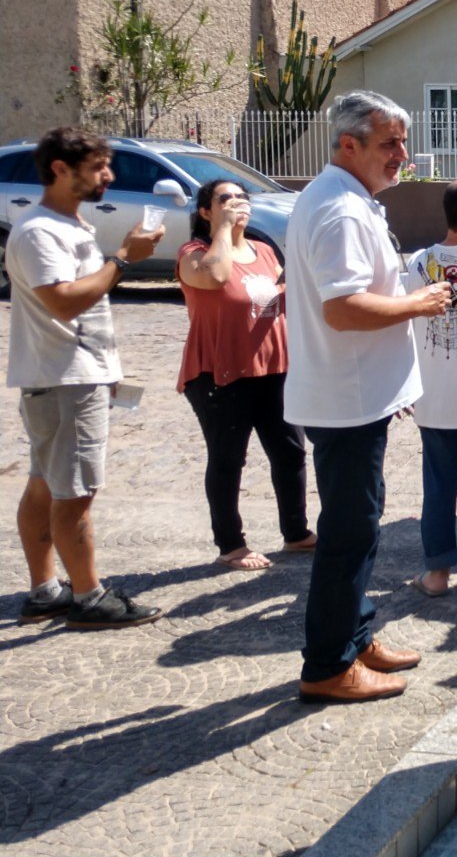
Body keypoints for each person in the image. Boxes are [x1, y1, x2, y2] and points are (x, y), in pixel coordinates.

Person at [285, 91, 453, 705]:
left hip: (356, 396)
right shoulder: (341, 210)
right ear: (348, 145)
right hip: (345, 401)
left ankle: (353, 639)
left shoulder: (347, 199)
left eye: (403, 142)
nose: (402, 156)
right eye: (390, 144)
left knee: (359, 526)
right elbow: (344, 307)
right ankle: (328, 665)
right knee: (348, 535)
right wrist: (419, 303)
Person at [8, 126, 165, 628]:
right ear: (60, 169)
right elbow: (64, 300)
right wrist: (123, 259)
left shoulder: (67, 226)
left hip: (69, 375)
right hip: (64, 380)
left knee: (46, 483)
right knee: (73, 490)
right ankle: (89, 597)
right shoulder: (39, 231)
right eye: (98, 167)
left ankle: (44, 589)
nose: (109, 176)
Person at [176, 178, 315, 572]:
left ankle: (296, 532)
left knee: (290, 453)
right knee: (227, 459)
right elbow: (217, 278)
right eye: (225, 199)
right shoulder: (195, 253)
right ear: (205, 211)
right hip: (220, 373)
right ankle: (231, 545)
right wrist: (222, 229)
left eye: (242, 197)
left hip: (274, 370)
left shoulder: (266, 251)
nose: (237, 203)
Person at [401, 178, 457, 598]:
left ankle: (437, 574)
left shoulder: (417, 263)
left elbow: (398, 328)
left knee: (439, 489)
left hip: (435, 398)